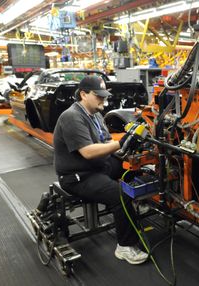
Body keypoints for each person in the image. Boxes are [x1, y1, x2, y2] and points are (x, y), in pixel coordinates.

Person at [53, 75, 148, 264]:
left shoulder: (95, 115)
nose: (104, 100)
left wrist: (129, 148)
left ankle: (138, 205)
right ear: (83, 94)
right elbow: (88, 152)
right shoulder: (71, 117)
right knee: (120, 195)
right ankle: (125, 246)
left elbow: (105, 142)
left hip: (98, 166)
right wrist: (120, 143)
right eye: (99, 96)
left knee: (138, 167)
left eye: (104, 96)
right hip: (78, 176)